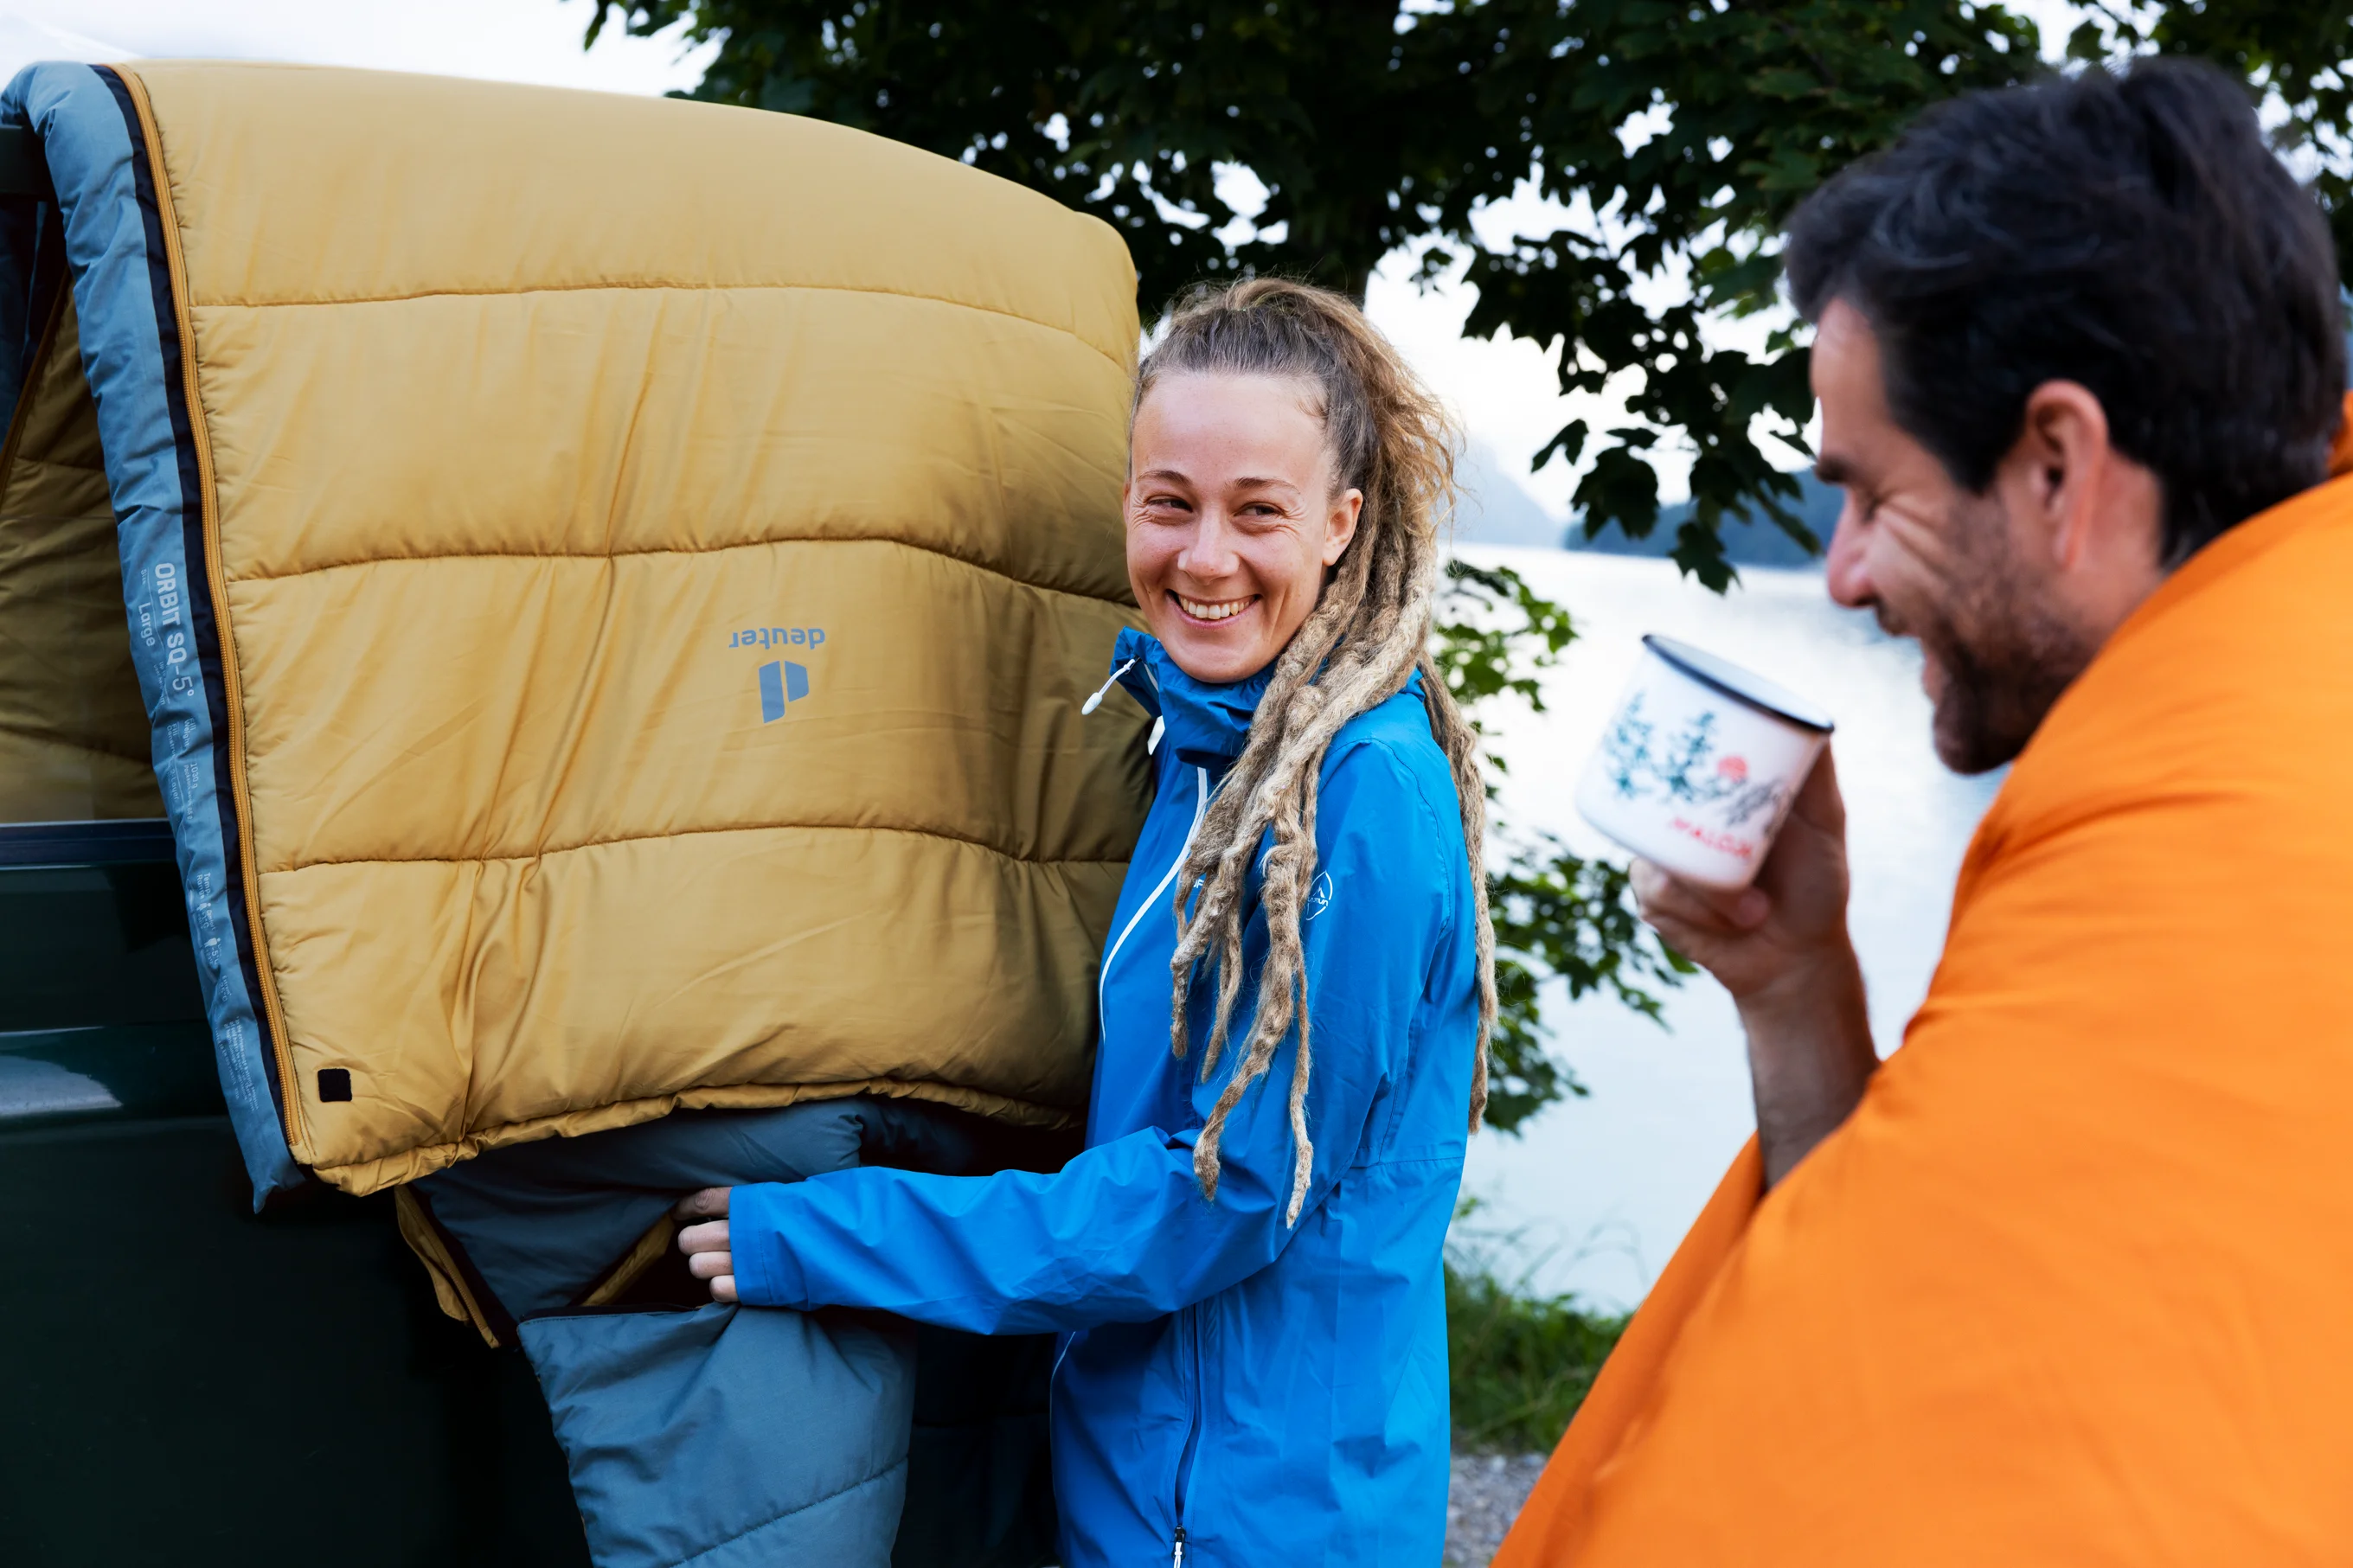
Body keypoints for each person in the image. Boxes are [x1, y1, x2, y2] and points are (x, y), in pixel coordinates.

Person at [1497, 58, 2353, 1563]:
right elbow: (1916, 1328)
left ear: (2057, 467)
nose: (1839, 573)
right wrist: (1796, 993)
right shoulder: (2271, 694)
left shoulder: (2210, 851)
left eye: (1871, 494)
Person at [670, 278, 1495, 1566]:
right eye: (1170, 503)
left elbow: (1216, 1200)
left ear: (1341, 524)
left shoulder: (1361, 793)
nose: (1204, 557)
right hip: (1144, 1483)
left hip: (1247, 1521)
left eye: (1257, 512)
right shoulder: (1207, 743)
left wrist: (825, 1233)